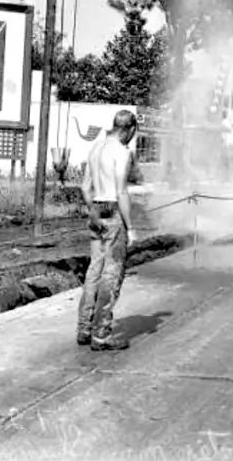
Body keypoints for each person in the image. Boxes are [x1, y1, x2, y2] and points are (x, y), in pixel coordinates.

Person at [77, 110, 139, 351]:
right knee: (111, 274)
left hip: (96, 212)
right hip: (113, 211)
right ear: (130, 129)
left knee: (94, 269)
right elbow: (122, 191)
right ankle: (101, 333)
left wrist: (93, 211)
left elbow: (84, 187)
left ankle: (84, 327)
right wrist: (130, 227)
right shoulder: (121, 152)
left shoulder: (96, 148)